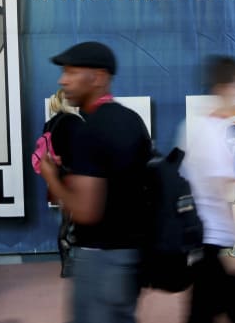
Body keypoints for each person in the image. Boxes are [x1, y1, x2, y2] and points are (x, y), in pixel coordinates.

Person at [39, 41, 151, 323]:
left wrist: (52, 176)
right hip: (131, 257)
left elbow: (85, 211)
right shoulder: (131, 120)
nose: (63, 80)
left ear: (99, 77)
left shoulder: (90, 131)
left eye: (72, 71)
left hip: (100, 259)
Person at [183, 57, 235, 323]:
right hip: (211, 235)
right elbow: (224, 188)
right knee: (231, 305)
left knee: (203, 309)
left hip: (207, 237)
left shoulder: (205, 127)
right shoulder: (211, 131)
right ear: (224, 87)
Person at [34, 88, 84, 278]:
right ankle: (80, 262)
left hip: (57, 179)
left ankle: (67, 263)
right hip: (75, 178)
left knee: (65, 221)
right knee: (77, 222)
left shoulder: (49, 124)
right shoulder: (75, 121)